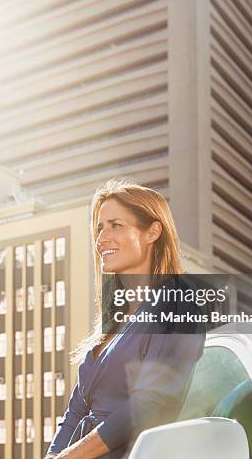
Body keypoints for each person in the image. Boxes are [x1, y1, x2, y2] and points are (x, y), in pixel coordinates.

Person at [45, 178, 205, 459]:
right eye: (99, 228)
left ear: (153, 232)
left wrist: (70, 458)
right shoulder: (113, 321)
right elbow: (74, 413)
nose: (101, 238)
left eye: (116, 225)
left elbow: (152, 404)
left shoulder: (180, 301)